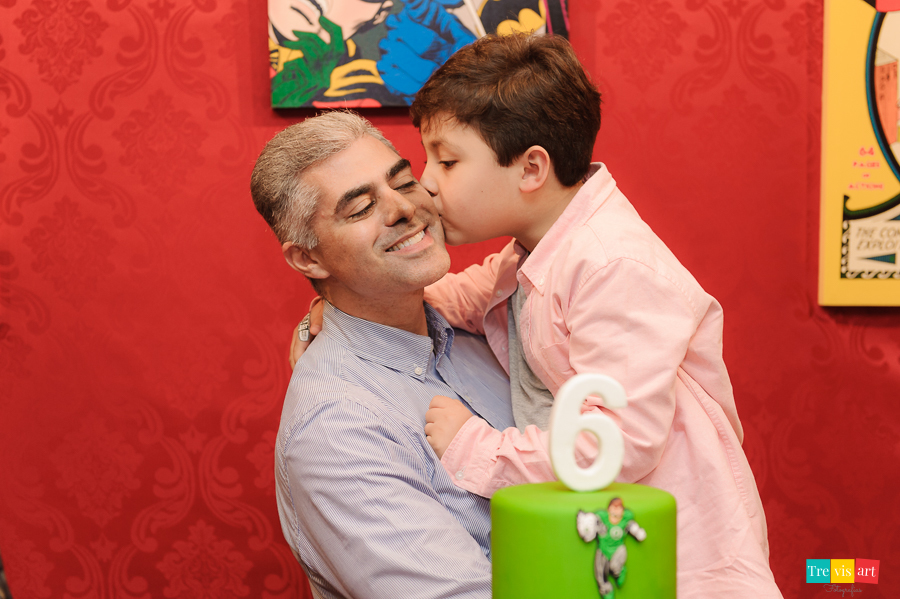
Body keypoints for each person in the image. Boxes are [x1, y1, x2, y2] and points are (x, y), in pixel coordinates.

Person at [291, 33, 782, 598]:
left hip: (682, 553)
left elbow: (617, 444)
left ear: (530, 169)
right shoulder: (535, 251)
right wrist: (334, 309)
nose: (426, 183)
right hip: (603, 546)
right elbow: (458, 297)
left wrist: (476, 448)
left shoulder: (611, 266)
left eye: (446, 161)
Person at [250, 111, 516, 598]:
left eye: (404, 181)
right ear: (308, 258)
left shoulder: (487, 325)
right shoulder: (337, 431)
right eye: (359, 209)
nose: (402, 209)